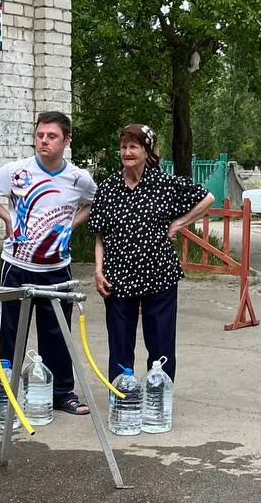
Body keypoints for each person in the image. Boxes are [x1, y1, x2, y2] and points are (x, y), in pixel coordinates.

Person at [0, 111, 97, 414]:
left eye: (51, 136)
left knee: (57, 331)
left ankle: (62, 392)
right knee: (11, 331)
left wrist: (70, 225)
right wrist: (7, 217)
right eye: (40, 135)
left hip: (56, 268)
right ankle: (5, 391)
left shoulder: (79, 178)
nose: (44, 141)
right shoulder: (18, 171)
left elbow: (95, 203)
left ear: (66, 140)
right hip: (16, 265)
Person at [88, 123, 214, 384]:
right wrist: (98, 270)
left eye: (133, 146)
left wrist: (179, 223)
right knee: (120, 343)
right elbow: (100, 234)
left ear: (147, 151)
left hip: (159, 275)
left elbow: (207, 198)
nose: (127, 152)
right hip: (118, 277)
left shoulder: (164, 184)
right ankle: (123, 397)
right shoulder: (108, 188)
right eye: (123, 147)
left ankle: (159, 397)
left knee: (161, 345)